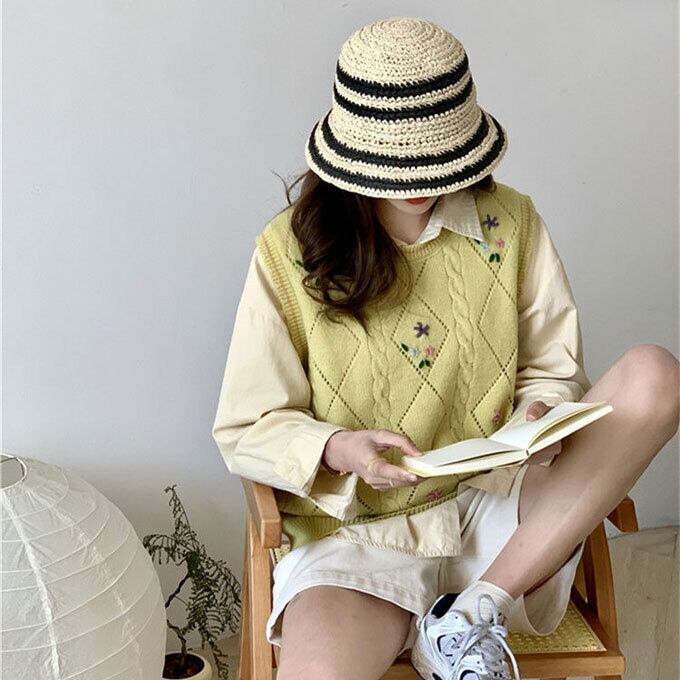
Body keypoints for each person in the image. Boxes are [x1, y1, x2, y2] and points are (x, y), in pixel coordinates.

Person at [212, 16, 680, 680]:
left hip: (504, 522)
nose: (419, 182)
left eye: (434, 158)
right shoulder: (288, 250)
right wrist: (341, 449)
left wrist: (541, 417)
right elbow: (248, 426)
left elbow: (553, 369)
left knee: (654, 375)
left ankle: (470, 616)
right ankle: (451, 623)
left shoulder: (512, 223)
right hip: (358, 541)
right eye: (398, 162)